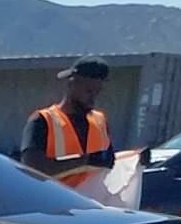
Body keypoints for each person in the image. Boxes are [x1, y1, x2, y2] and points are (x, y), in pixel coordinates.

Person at [20, 60, 115, 195]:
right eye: (88, 91)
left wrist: (135, 160)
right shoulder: (42, 121)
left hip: (91, 207)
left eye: (97, 91)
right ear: (71, 84)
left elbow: (108, 162)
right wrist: (84, 161)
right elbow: (32, 169)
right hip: (51, 205)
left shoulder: (100, 122)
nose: (93, 97)